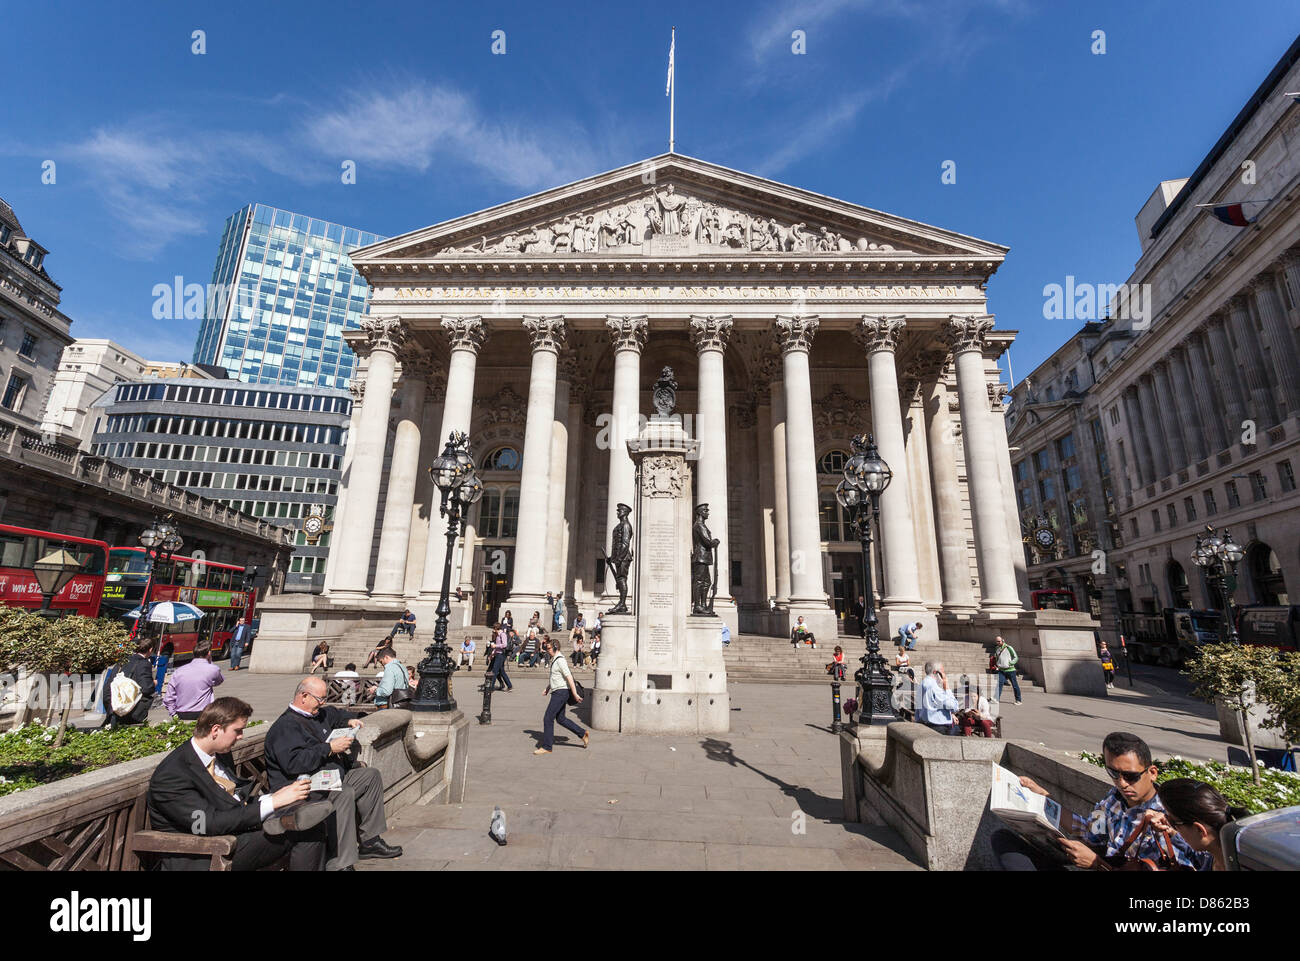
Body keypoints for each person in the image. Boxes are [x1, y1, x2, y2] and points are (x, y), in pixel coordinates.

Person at [146, 696, 331, 871]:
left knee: (308, 822)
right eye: (237, 730)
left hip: (234, 836)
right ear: (215, 730)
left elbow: (232, 800)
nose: (241, 736)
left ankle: (291, 816)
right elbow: (204, 824)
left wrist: (276, 797)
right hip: (204, 852)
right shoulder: (172, 775)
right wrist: (273, 803)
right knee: (307, 829)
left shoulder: (220, 754)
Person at [990, 731, 1211, 871]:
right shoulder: (1114, 799)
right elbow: (1088, 829)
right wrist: (1043, 798)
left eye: (1130, 776)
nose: (1122, 783)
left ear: (1152, 772)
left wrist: (1097, 864)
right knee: (1004, 842)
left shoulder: (1169, 815)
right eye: (1113, 773)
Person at [264, 677, 404, 870]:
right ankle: (340, 862)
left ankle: (370, 841)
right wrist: (329, 748)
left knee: (369, 776)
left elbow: (336, 714)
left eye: (324, 699)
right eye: (319, 699)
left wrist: (349, 719)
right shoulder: (285, 727)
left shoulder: (319, 713)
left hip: (330, 775)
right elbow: (294, 764)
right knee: (343, 793)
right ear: (303, 696)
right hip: (300, 786)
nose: (322, 703)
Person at [1147, 778, 1249, 872]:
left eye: (1174, 823)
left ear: (1200, 830)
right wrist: (1171, 832)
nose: (1170, 824)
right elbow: (1197, 857)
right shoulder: (1217, 856)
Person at [534, 636, 588, 755]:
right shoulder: (555, 659)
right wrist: (548, 688)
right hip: (557, 691)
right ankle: (582, 733)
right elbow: (556, 677)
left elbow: (569, 677)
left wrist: (574, 694)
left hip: (561, 693)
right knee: (561, 719)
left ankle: (547, 746)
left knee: (548, 718)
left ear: (555, 648)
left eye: (548, 648)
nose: (547, 650)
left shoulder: (560, 660)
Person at [163, 639, 224, 720]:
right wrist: (210, 662)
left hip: (181, 713)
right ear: (209, 653)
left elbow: (169, 697)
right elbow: (219, 681)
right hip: (203, 713)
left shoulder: (178, 671)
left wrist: (173, 713)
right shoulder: (213, 669)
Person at [104, 636, 157, 728]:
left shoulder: (122, 662)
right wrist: (153, 683)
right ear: (150, 649)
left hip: (115, 708)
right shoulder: (144, 664)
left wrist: (111, 707)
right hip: (132, 712)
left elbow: (109, 687)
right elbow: (147, 688)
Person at [918, 661, 958, 734]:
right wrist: (947, 687)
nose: (944, 674)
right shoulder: (934, 686)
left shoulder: (922, 684)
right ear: (936, 672)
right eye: (943, 671)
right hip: (938, 727)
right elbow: (953, 706)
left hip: (925, 725)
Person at [992, 636, 1022, 705]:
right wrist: (997, 664)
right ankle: (996, 699)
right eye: (997, 641)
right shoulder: (997, 648)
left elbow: (1016, 657)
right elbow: (996, 657)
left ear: (1003, 640)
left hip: (1010, 670)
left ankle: (1018, 700)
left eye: (999, 641)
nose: (998, 643)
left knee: (1015, 685)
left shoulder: (1009, 648)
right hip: (1001, 670)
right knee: (999, 684)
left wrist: (1010, 663)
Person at [489, 622, 513, 692]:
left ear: (496, 628)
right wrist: (492, 654)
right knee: (501, 671)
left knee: (495, 670)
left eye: (494, 628)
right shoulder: (498, 635)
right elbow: (497, 647)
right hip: (498, 654)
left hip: (501, 655)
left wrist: (495, 646)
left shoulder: (502, 634)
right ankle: (509, 685)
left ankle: (491, 687)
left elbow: (504, 645)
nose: (493, 630)